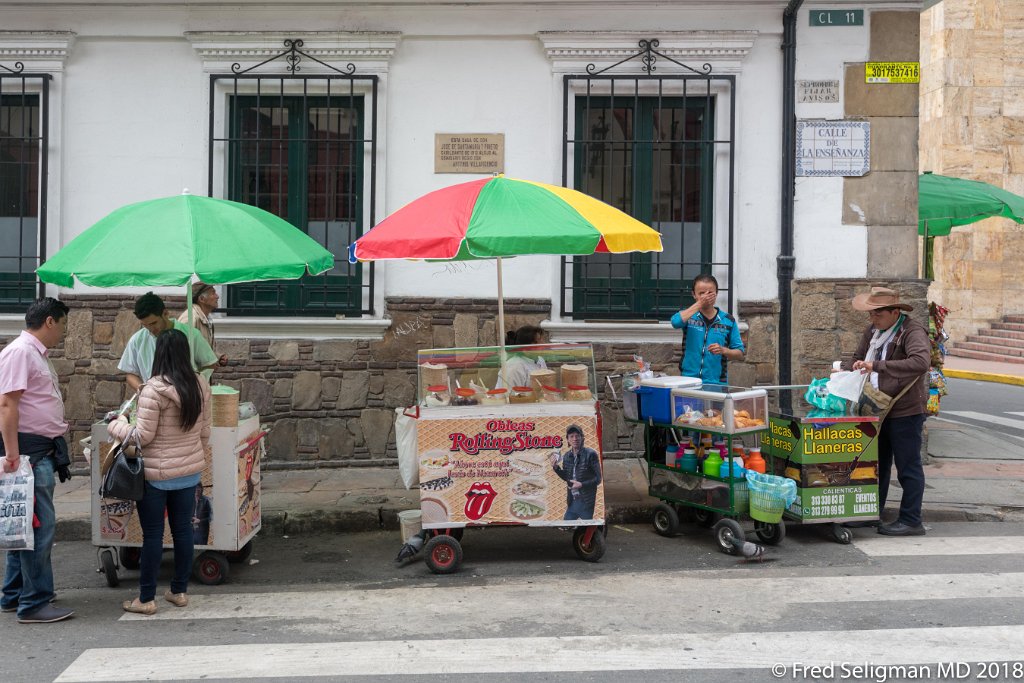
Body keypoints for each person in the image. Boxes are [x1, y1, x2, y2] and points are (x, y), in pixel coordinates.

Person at [108, 329, 212, 614]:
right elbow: (205, 433)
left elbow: (142, 436)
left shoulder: (153, 389)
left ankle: (146, 599)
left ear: (159, 354)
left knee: (152, 536)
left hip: (156, 476)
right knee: (182, 531)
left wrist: (116, 424)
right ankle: (178, 591)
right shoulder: (200, 384)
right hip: (189, 473)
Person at [0, 297, 75, 623]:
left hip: (37, 451)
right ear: (49, 321)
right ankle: (34, 602)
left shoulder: (31, 353)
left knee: (24, 528)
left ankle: (14, 594)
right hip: (29, 454)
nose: (63, 332)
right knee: (40, 530)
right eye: (62, 325)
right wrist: (13, 454)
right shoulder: (20, 352)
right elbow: (6, 404)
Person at [841, 286, 930, 537]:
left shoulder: (912, 331)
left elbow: (921, 362)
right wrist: (846, 368)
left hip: (904, 409)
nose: (872, 319)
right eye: (870, 314)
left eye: (877, 314)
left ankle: (912, 520)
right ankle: (871, 513)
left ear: (894, 312)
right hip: (875, 407)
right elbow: (859, 356)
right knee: (876, 465)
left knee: (908, 466)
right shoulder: (873, 331)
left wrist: (876, 366)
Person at [119, 292, 218, 392]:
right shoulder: (137, 340)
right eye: (145, 325)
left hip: (186, 397)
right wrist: (145, 390)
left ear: (165, 313)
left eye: (154, 323)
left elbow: (209, 364)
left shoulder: (192, 335)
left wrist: (192, 384)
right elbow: (130, 373)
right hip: (153, 399)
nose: (150, 329)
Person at [670, 274, 744, 384]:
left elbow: (739, 353)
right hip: (688, 381)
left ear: (716, 294)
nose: (706, 296)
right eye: (701, 293)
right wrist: (699, 304)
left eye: (710, 293)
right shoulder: (689, 315)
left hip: (717, 383)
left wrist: (724, 350)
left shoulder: (728, 320)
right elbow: (675, 322)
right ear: (693, 294)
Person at [548, 424, 602, 520]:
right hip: (572, 500)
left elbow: (598, 479)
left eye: (577, 436)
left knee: (585, 529)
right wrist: (556, 467)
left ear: (582, 438)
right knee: (566, 526)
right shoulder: (566, 456)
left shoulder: (591, 454)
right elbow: (567, 477)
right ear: (568, 439)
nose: (575, 439)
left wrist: (581, 484)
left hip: (586, 501)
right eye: (571, 436)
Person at [177, 282, 229, 373]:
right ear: (201, 299)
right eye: (213, 293)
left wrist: (217, 357)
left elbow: (199, 348)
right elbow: (182, 352)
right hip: (191, 378)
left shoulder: (203, 317)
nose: (217, 296)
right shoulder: (190, 318)